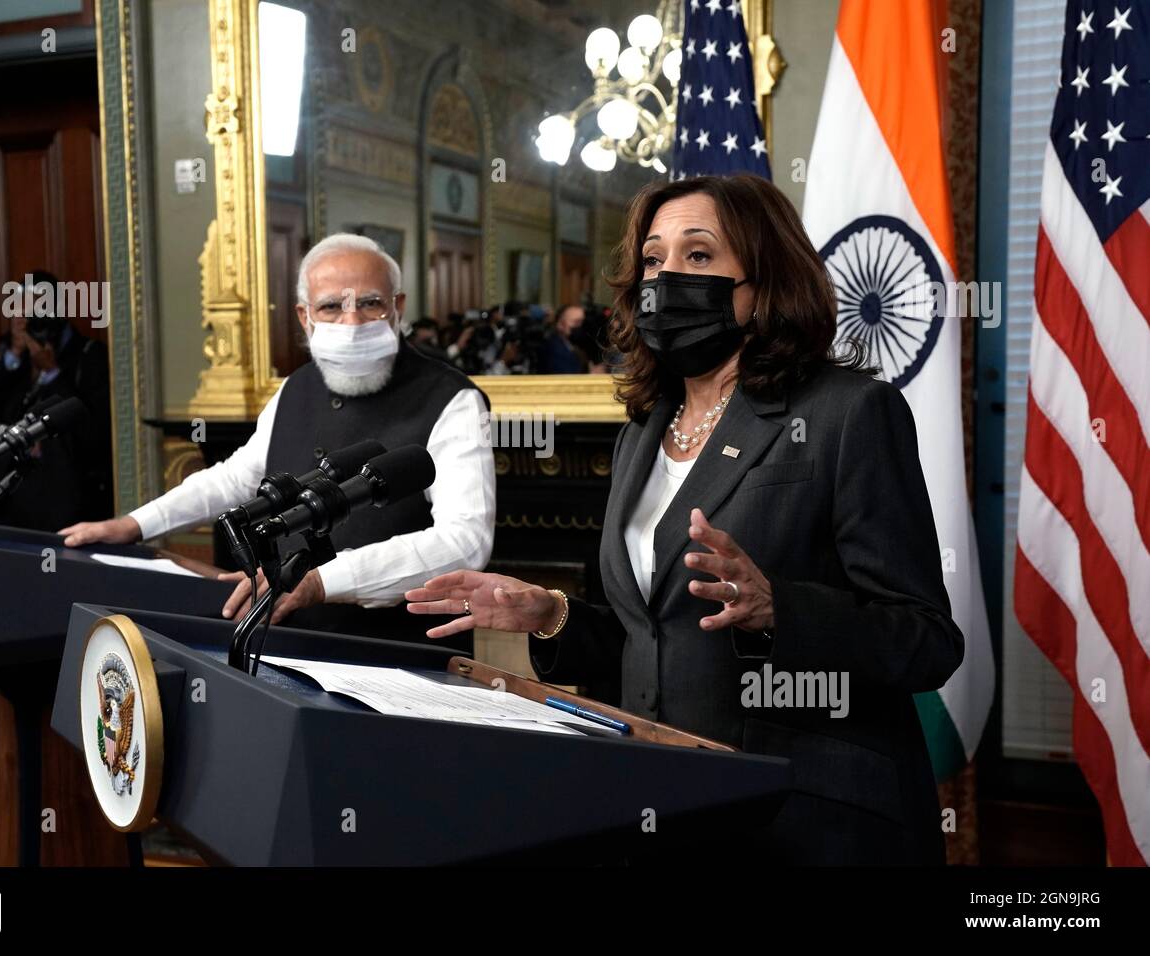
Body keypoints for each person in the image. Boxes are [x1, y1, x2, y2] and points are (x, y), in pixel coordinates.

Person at [406, 174, 963, 864]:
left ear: (764, 280)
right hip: (672, 799)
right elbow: (653, 636)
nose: (666, 276)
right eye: (653, 259)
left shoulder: (849, 413)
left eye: (698, 256)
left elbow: (928, 641)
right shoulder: (642, 429)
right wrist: (547, 614)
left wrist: (777, 608)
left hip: (806, 813)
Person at [61, 235, 495, 649]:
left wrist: (322, 581)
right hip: (285, 643)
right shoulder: (295, 388)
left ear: (398, 307)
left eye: (370, 303)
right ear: (305, 316)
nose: (352, 321)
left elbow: (465, 540)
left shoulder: (454, 399)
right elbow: (236, 478)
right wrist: (135, 524)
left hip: (402, 657)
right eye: (331, 306)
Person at [0, 270, 112, 531]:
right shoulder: (12, 350)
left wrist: (52, 372)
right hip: (13, 498)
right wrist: (12, 353)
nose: (34, 317)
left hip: (67, 501)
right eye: (25, 309)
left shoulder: (88, 355)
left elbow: (92, 430)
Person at [537, 304, 590, 373]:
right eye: (576, 322)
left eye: (583, 322)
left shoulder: (577, 345)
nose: (580, 326)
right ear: (560, 324)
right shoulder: (553, 348)